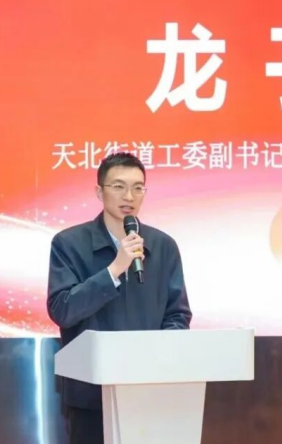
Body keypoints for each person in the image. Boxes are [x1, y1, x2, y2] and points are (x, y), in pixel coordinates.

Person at [46, 152, 193, 444]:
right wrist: (114, 269)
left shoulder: (163, 246)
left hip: (150, 391)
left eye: (138, 188)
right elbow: (62, 310)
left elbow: (177, 314)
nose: (129, 196)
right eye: (118, 186)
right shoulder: (68, 244)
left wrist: (162, 358)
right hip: (91, 395)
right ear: (99, 192)